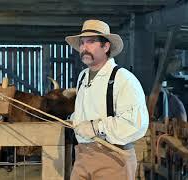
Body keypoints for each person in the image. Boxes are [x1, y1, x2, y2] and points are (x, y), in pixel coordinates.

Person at [65, 19, 149, 180]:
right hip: (83, 155)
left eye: (91, 42)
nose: (84, 47)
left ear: (106, 46)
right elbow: (90, 108)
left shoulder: (124, 79)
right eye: (82, 43)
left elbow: (136, 123)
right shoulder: (83, 77)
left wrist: (97, 128)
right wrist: (75, 119)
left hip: (112, 157)